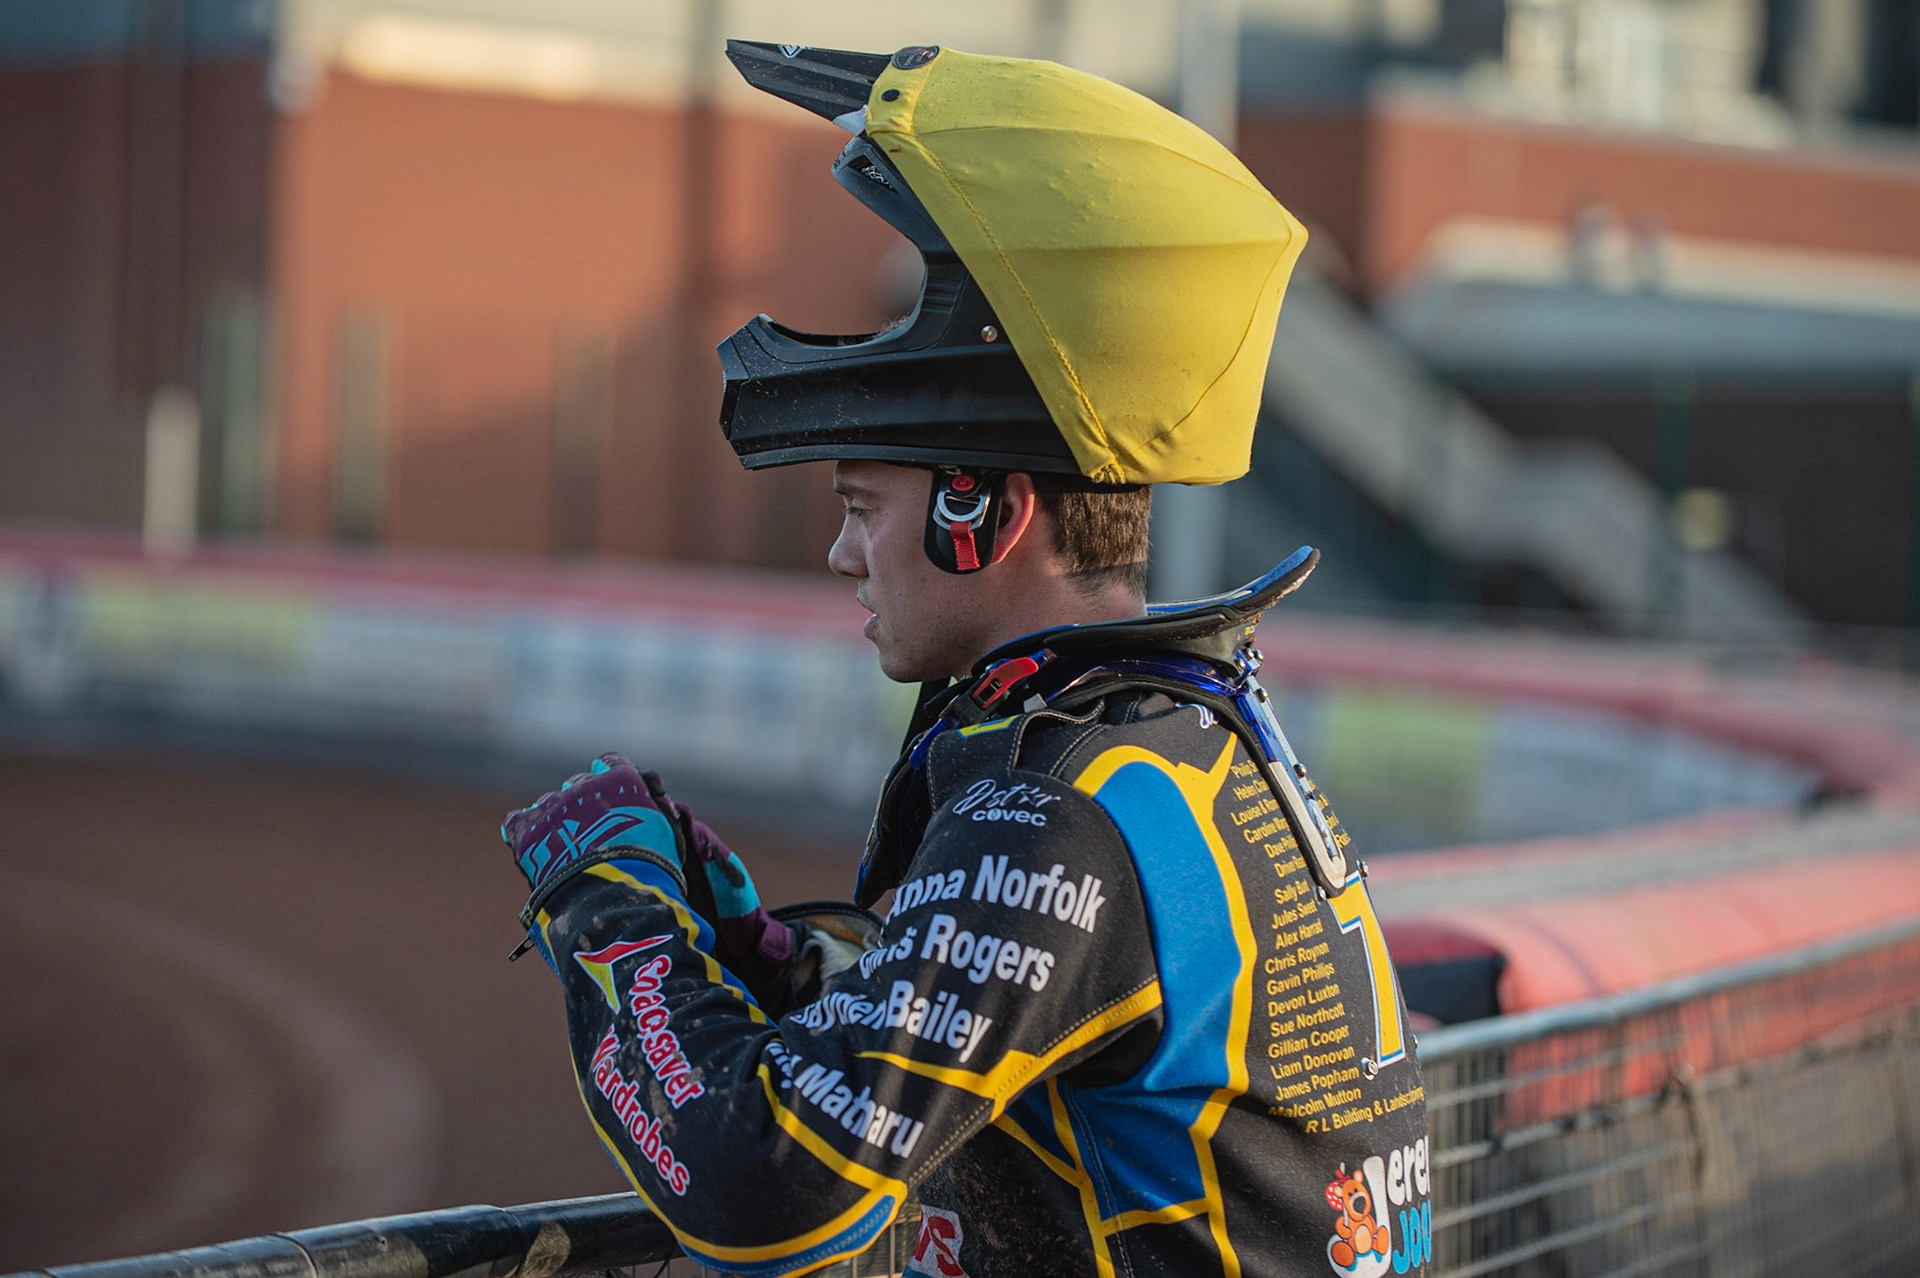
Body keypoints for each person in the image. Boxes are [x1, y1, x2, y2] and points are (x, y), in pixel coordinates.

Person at [500, 42, 1431, 1278]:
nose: (841, 556)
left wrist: (613, 918)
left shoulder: (1064, 809)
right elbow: (1048, 1039)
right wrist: (787, 969)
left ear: (979, 514)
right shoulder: (1176, 741)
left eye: (859, 506)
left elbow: (768, 1189)